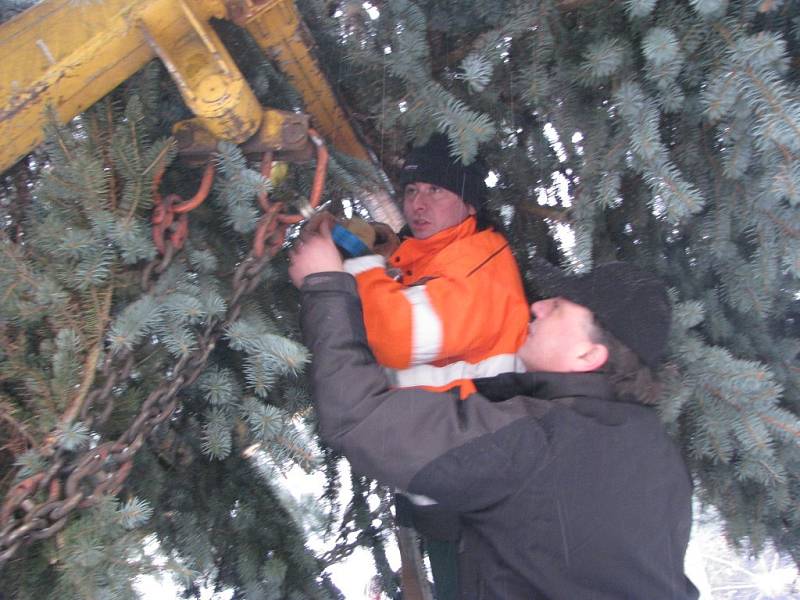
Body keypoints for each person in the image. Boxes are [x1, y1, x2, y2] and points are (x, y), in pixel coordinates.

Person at [289, 229, 699, 599]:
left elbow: (359, 416)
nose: (537, 306)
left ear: (589, 354)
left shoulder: (538, 440)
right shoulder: (660, 456)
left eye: (557, 308)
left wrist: (324, 284)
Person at [337, 133, 530, 394]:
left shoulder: (479, 267)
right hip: (443, 420)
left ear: (470, 204)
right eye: (411, 190)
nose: (418, 204)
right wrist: (387, 263)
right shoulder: (439, 252)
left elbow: (398, 338)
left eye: (435, 190)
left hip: (473, 425)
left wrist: (359, 262)